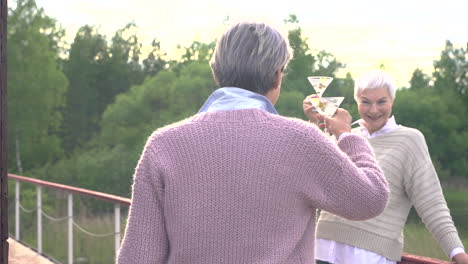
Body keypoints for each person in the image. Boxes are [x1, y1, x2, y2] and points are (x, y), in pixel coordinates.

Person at [117, 22, 390, 264]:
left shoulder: (164, 145)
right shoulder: (300, 140)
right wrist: (347, 135)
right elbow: (371, 199)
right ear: (277, 75)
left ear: (216, 73)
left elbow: (138, 257)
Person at [303, 69, 468, 264]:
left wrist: (457, 253)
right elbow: (311, 179)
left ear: (392, 100)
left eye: (381, 102)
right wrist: (315, 122)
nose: (373, 110)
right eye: (365, 101)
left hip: (368, 257)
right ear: (357, 101)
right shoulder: (345, 136)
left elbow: (431, 203)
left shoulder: (409, 140)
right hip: (320, 249)